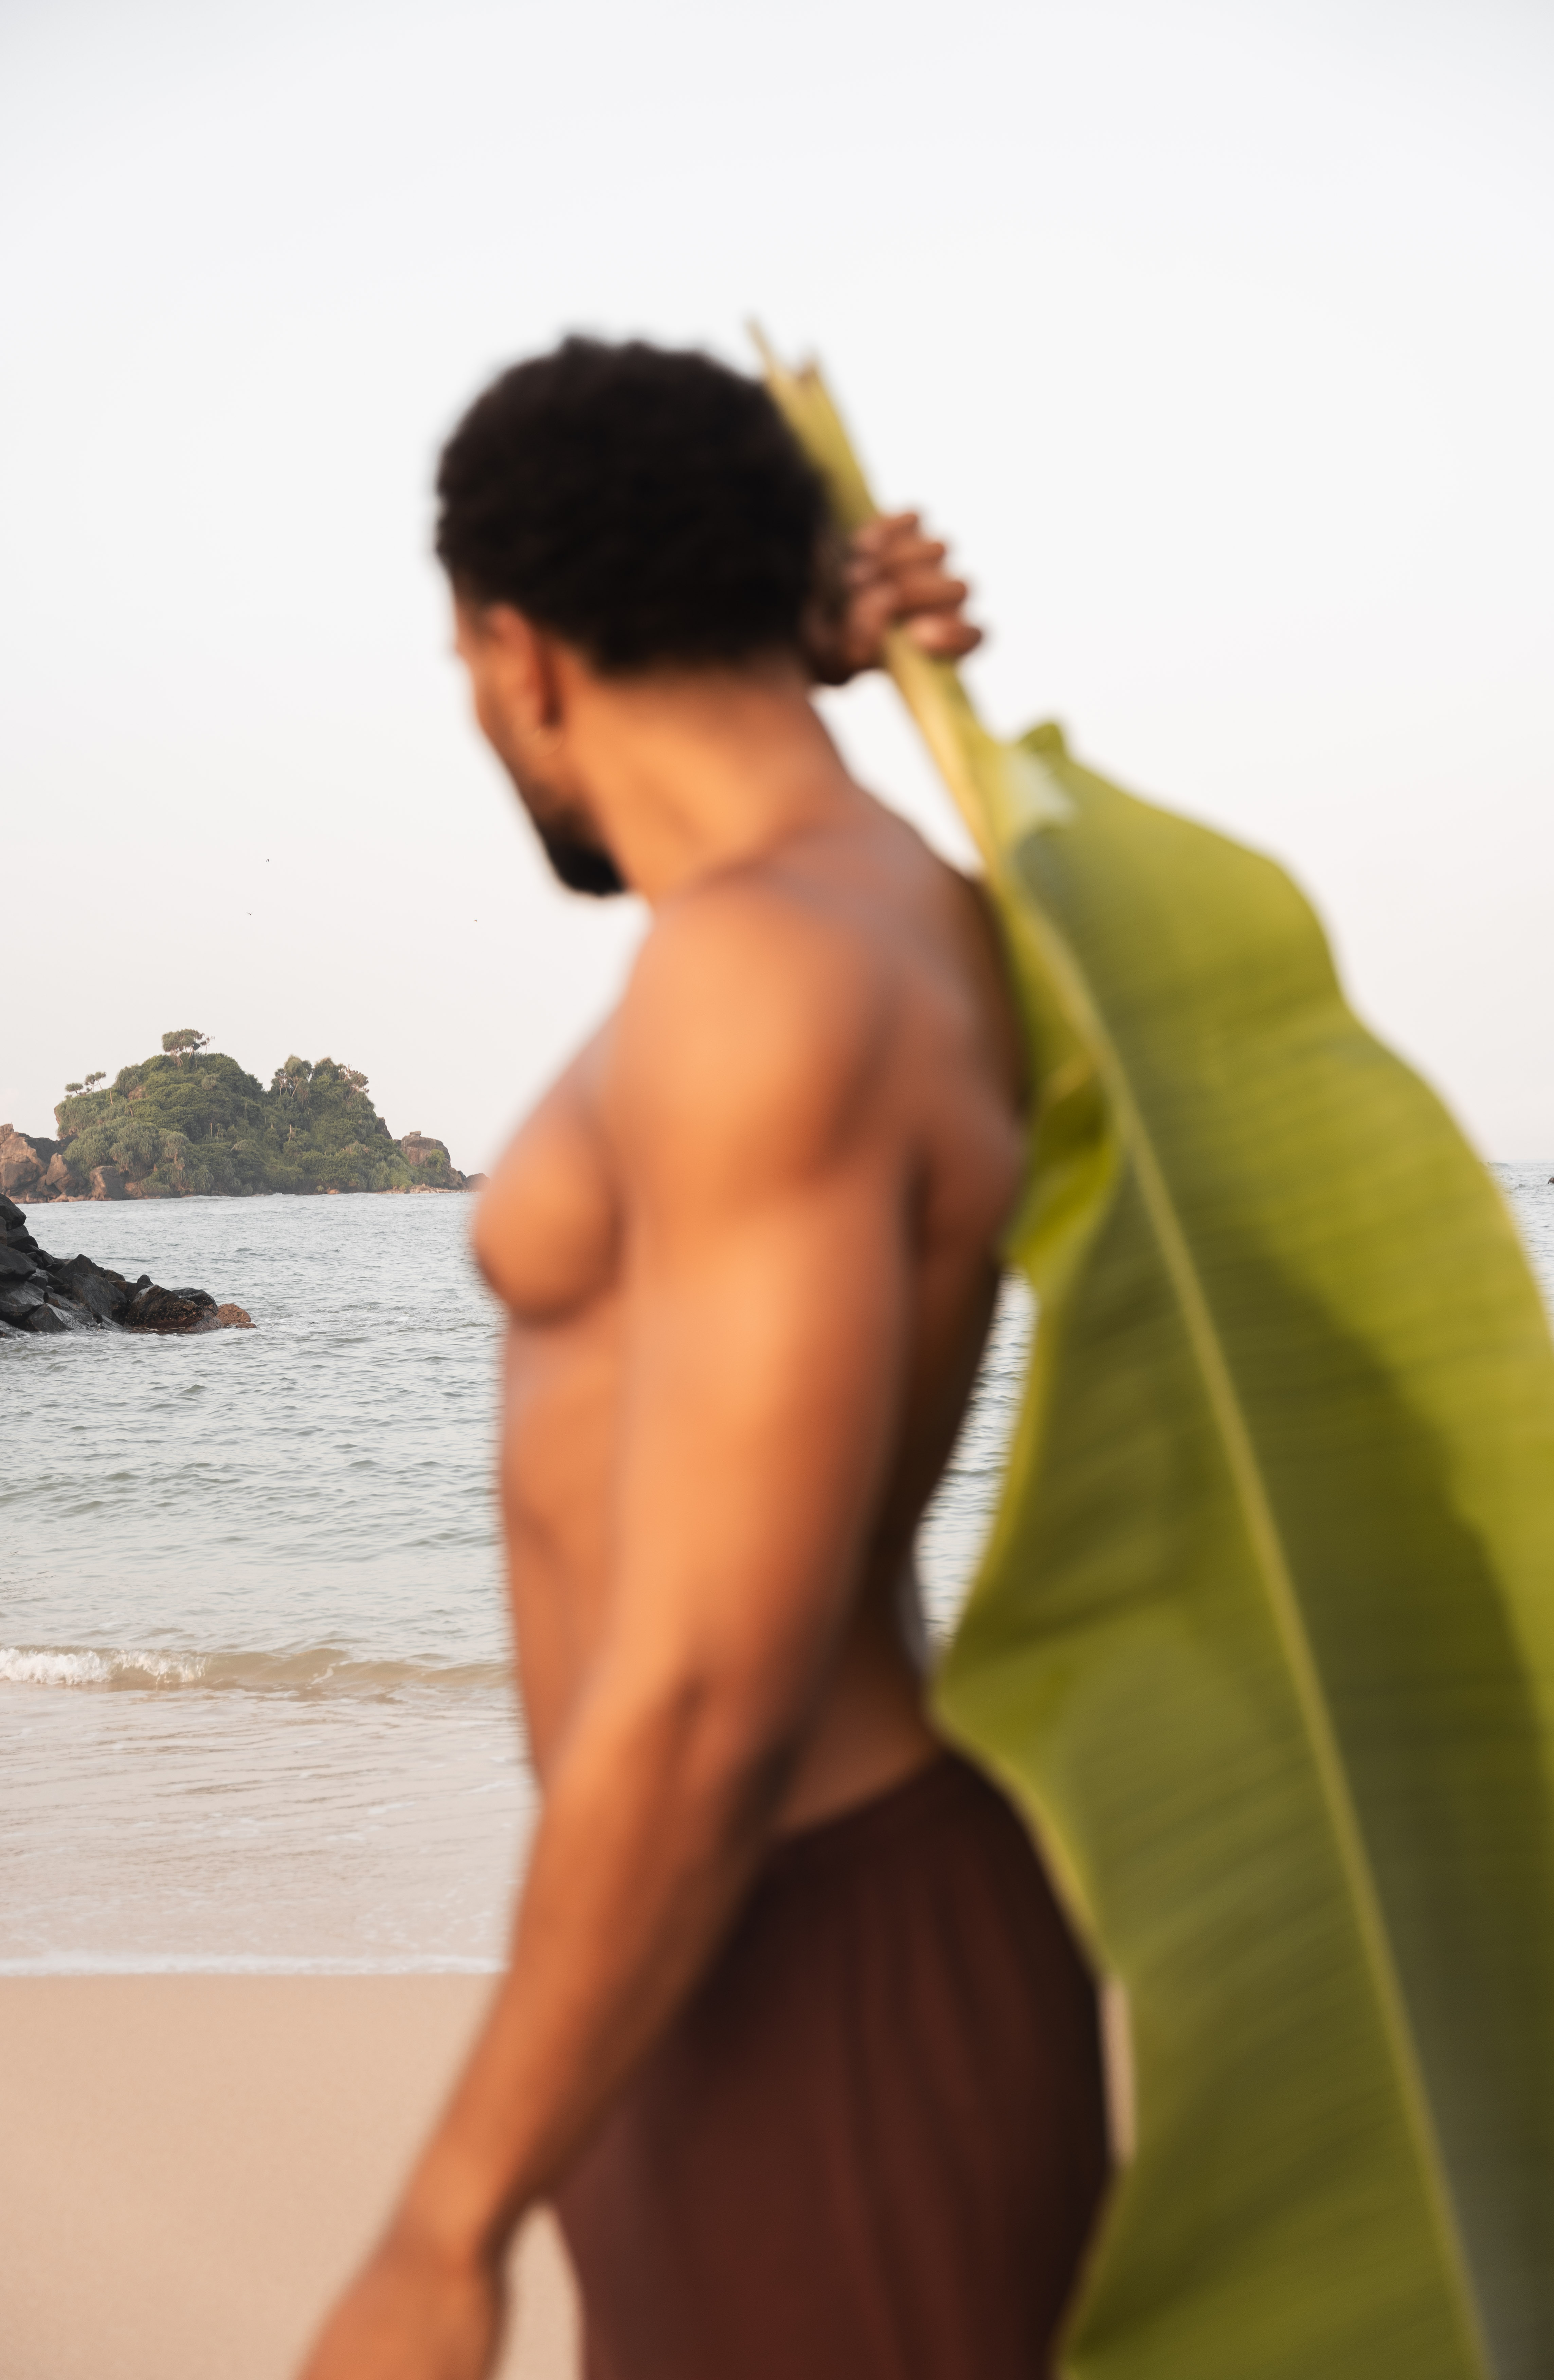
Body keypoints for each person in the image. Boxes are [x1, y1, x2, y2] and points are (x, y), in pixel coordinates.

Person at [299, 337, 1108, 2380]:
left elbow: (709, 1687)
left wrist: (443, 2229)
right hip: (700, 1961)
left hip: (812, 1960)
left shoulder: (768, 971)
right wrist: (826, 656)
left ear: (517, 652)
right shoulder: (873, 914)